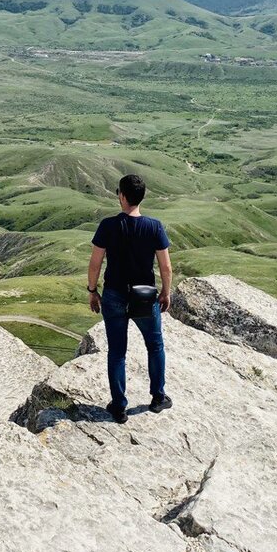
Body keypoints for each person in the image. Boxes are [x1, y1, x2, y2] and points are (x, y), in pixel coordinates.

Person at [87, 173, 172, 424]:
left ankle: (119, 407)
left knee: (117, 352)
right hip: (144, 295)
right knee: (155, 346)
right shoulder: (154, 226)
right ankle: (158, 397)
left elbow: (95, 263)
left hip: (114, 294)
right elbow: (165, 267)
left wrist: (93, 291)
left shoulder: (107, 226)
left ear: (122, 196)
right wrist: (166, 292)